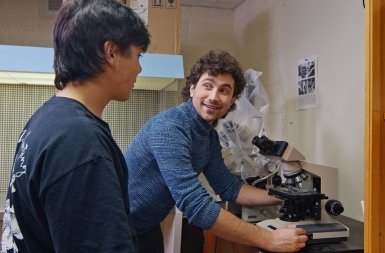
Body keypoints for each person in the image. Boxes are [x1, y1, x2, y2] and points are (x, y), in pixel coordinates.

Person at [1, 0, 150, 252]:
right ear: (111, 52)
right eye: (138, 55)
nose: (139, 67)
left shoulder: (46, 118)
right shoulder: (80, 141)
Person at [124, 50, 308, 253]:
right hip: (116, 227)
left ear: (232, 100)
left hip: (145, 228)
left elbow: (228, 187)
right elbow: (193, 203)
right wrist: (268, 240)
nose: (214, 97)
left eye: (224, 90)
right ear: (192, 88)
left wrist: (283, 196)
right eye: (208, 86)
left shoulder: (209, 137)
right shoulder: (170, 127)